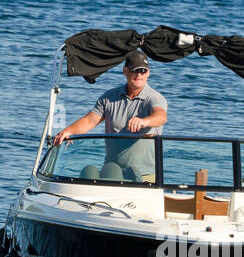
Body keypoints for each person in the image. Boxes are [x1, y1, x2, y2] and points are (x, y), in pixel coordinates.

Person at [51, 51, 168, 181]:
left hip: (144, 175)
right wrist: (68, 131)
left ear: (148, 73)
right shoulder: (109, 97)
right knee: (89, 173)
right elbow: (90, 121)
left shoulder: (155, 98)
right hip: (112, 172)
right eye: (135, 70)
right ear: (125, 71)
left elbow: (161, 116)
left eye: (143, 71)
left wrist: (144, 121)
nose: (139, 75)